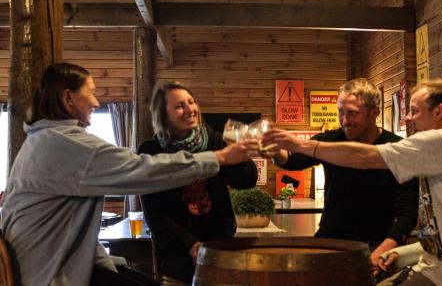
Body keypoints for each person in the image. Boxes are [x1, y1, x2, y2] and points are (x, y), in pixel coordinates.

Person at [0, 63, 259, 286]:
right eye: (91, 93)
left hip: (41, 265)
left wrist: (111, 265)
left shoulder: (42, 140)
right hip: (47, 274)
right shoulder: (67, 144)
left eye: (191, 102)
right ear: (69, 98)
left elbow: (69, 229)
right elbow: (143, 170)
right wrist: (220, 158)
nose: (97, 102)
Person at [262, 79, 442, 286]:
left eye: (414, 110)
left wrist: (299, 143)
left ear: (438, 113)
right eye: (341, 112)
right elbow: (436, 241)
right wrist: (399, 252)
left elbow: (365, 157)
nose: (407, 117)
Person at [264, 78, 419, 275]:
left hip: (374, 245)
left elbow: (407, 214)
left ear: (374, 112)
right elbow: (291, 161)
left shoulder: (397, 149)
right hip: (329, 241)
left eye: (353, 113)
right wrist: (275, 150)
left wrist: (380, 253)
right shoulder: (330, 140)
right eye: (340, 112)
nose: (345, 120)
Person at [138, 82, 258, 285]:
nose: (189, 109)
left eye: (191, 102)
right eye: (179, 106)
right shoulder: (150, 150)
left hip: (219, 248)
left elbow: (246, 182)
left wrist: (238, 153)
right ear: (163, 114)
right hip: (176, 254)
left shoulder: (217, 141)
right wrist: (191, 245)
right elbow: (154, 213)